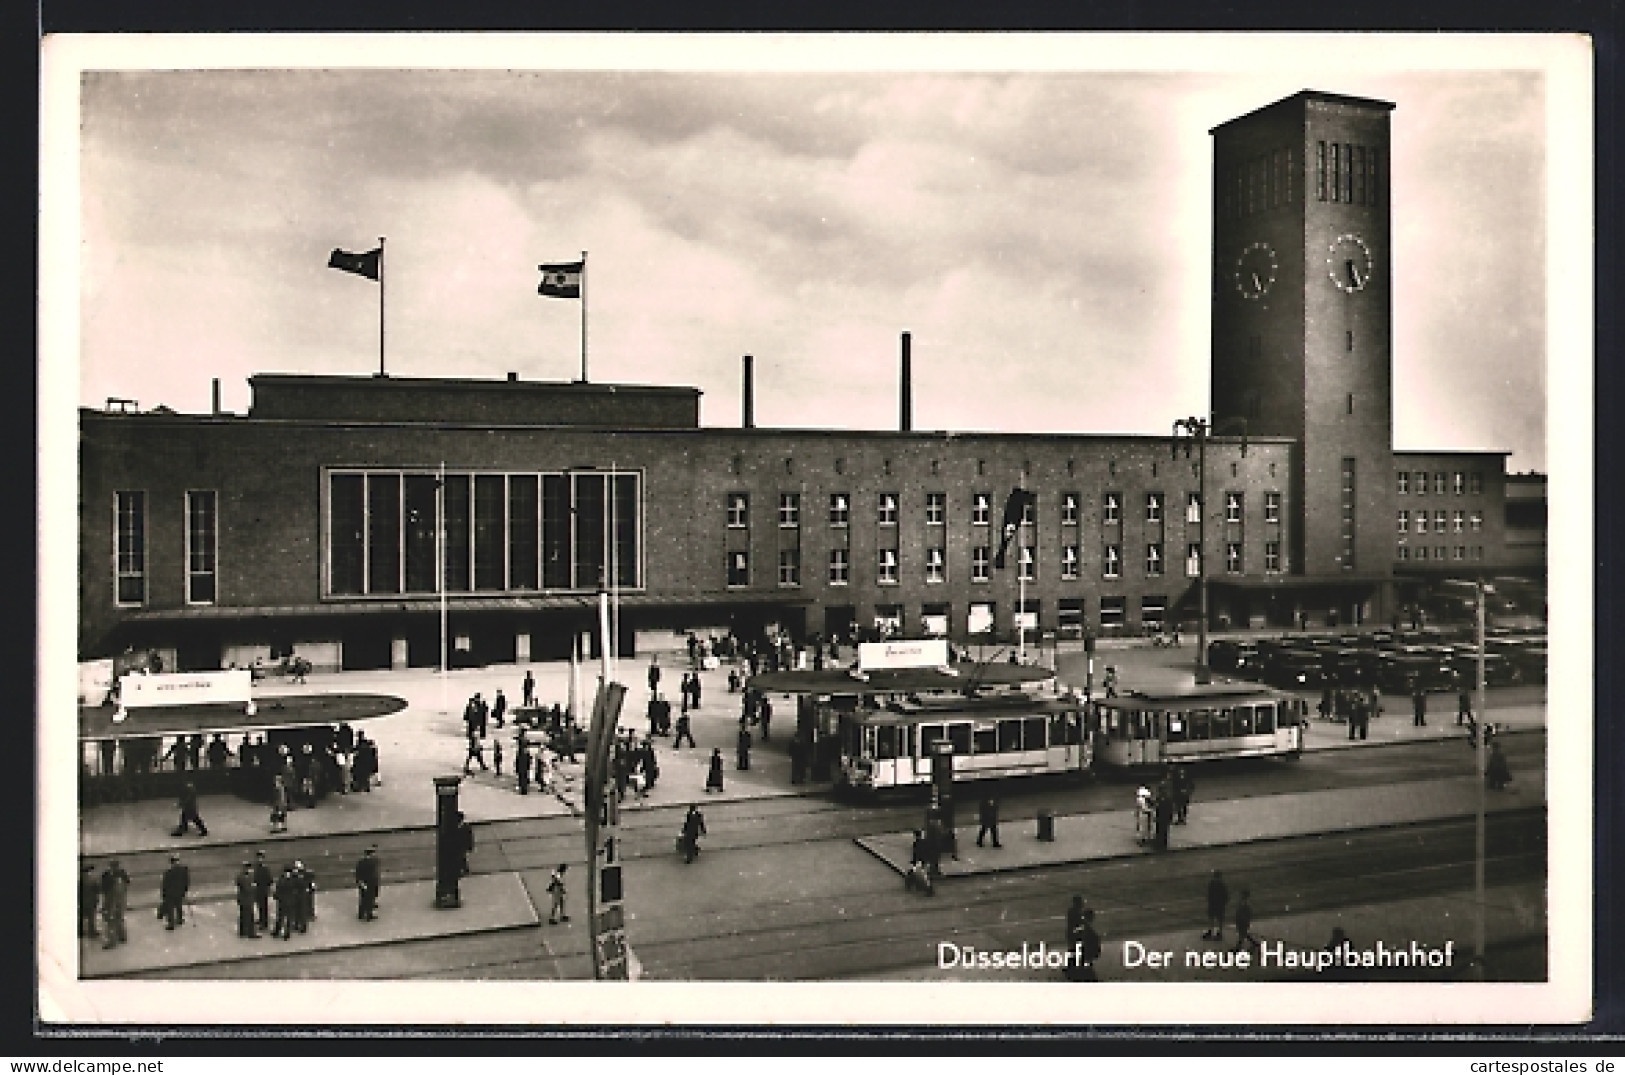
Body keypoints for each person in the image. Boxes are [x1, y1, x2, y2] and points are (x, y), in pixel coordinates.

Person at [99, 859, 131, 949]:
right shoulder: (122, 873)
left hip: (111, 901)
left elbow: (103, 889)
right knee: (119, 918)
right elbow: (128, 883)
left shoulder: (106, 876)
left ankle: (112, 941)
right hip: (121, 900)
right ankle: (122, 936)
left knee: (110, 921)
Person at [159, 853, 190, 930]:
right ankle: (180, 919)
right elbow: (186, 881)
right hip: (180, 891)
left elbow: (165, 884)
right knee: (179, 905)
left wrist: (164, 894)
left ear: (171, 862)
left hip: (170, 893)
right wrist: (185, 890)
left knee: (170, 908)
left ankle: (171, 924)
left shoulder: (168, 872)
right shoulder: (184, 869)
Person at [272, 865, 298, 939]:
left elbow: (278, 890)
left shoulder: (282, 880)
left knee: (284, 918)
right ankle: (282, 932)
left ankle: (282, 932)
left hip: (285, 901)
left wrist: (277, 896)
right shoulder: (291, 880)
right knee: (282, 918)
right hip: (285, 901)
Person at [355, 846, 381, 921]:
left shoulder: (361, 862)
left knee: (363, 898)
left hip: (363, 882)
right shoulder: (372, 863)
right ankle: (369, 915)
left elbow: (358, 873)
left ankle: (361, 913)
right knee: (370, 898)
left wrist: (360, 882)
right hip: (370, 882)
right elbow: (373, 874)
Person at [906, 830, 935, 894]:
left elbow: (916, 854)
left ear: (915, 836)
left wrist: (914, 861)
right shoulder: (925, 842)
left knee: (919, 874)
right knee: (924, 875)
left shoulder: (916, 843)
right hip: (926, 861)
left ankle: (928, 888)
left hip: (920, 861)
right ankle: (927, 887)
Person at [1203, 870, 1229, 941]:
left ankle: (1211, 932)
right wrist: (1224, 903)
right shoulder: (1222, 884)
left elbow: (1209, 895)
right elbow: (1226, 895)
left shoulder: (1212, 883)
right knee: (1219, 919)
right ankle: (1219, 933)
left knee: (1212, 918)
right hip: (1219, 905)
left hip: (1213, 904)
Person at [235, 861, 259, 938]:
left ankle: (242, 932)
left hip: (243, 899)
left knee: (243, 915)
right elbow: (247, 889)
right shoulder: (244, 877)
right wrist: (254, 887)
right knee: (250, 916)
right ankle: (251, 933)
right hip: (246, 899)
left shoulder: (242, 876)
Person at [253, 850, 274, 932]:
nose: (259, 859)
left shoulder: (265, 868)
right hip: (258, 889)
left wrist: (265, 886)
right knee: (259, 905)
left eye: (261, 858)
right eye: (258, 858)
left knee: (263, 906)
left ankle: (264, 923)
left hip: (263, 889)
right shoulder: (257, 867)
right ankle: (261, 919)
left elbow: (270, 880)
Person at [78, 862, 101, 939]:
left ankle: (80, 931)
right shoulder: (92, 880)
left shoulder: (80, 880)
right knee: (91, 917)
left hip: (82, 901)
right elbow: (98, 889)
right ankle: (92, 932)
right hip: (91, 901)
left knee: (81, 916)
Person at [1233, 888, 1258, 953]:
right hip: (1241, 920)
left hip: (1242, 920)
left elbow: (1246, 912)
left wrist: (1245, 919)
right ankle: (1253, 942)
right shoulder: (1243, 902)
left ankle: (1238, 947)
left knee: (1242, 934)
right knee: (1243, 933)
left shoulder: (1245, 903)